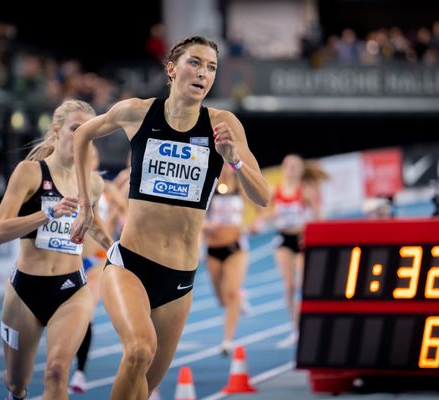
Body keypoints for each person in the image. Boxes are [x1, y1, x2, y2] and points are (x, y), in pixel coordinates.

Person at [70, 36, 270, 399]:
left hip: (179, 278)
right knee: (139, 350)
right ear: (172, 68)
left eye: (211, 67)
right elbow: (83, 134)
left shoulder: (223, 124)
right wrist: (86, 204)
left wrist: (233, 159)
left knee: (144, 387)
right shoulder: (137, 111)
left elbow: (263, 197)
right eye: (195, 63)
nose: (203, 73)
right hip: (130, 263)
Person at [0, 100, 113, 400]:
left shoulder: (93, 184)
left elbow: (94, 225)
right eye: (75, 128)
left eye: (88, 131)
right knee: (16, 383)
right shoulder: (30, 172)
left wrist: (118, 253)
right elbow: (0, 231)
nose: (81, 136)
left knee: (57, 371)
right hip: (25, 291)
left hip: (71, 289)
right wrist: (48, 213)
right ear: (57, 130)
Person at [69, 144, 125, 393]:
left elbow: (127, 212)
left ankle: (80, 371)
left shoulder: (106, 187)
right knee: (66, 316)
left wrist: (114, 214)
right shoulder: (66, 184)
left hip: (96, 260)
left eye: (90, 156)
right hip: (68, 259)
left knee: (86, 314)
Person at [255, 154, 320, 348]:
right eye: (288, 165)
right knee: (290, 287)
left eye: (294, 165)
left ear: (300, 169)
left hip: (301, 240)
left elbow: (318, 216)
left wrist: (312, 228)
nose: (291, 168)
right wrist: (263, 218)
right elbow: (264, 211)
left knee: (303, 285)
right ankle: (296, 329)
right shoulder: (277, 191)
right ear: (283, 168)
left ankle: (308, 323)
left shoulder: (305, 191)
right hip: (283, 240)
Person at [202, 162, 250, 356]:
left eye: (227, 166)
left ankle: (227, 341)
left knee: (230, 293)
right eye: (220, 166)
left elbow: (262, 206)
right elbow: (196, 216)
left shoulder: (241, 187)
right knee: (222, 299)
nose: (224, 170)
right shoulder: (209, 188)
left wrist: (254, 223)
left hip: (236, 248)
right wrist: (206, 225)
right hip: (213, 249)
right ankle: (238, 300)